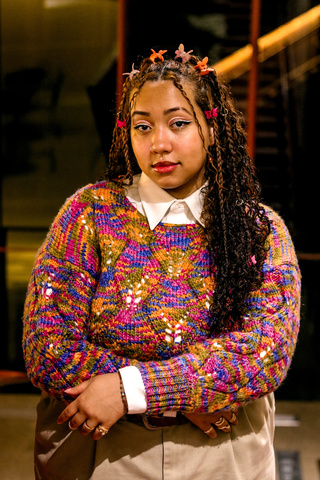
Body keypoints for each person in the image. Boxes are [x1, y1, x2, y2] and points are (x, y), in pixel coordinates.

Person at [23, 44, 301, 480]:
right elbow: (48, 344)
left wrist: (132, 389)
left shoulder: (258, 229)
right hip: (101, 448)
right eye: (142, 127)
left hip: (221, 453)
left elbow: (265, 350)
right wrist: (185, 396)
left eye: (178, 123)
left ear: (210, 129)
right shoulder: (90, 213)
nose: (159, 144)